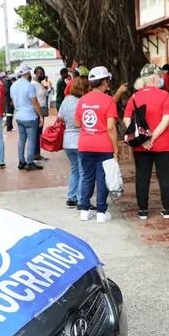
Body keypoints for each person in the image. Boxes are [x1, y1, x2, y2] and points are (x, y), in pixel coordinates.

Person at [124, 64, 169, 220]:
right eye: (159, 76)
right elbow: (167, 118)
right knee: (165, 177)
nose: (161, 78)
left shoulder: (134, 97)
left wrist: (142, 138)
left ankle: (143, 211)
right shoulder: (164, 95)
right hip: (163, 144)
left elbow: (126, 119)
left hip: (141, 146)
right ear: (155, 78)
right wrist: (152, 138)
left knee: (142, 176)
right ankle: (166, 209)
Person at [75, 66, 119, 223]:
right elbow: (111, 127)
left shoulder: (82, 100)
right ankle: (101, 212)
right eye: (108, 81)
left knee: (87, 177)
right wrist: (116, 149)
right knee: (102, 179)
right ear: (104, 82)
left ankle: (84, 211)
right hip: (103, 146)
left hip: (85, 145)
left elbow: (77, 123)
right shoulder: (109, 101)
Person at [58, 75, 89, 208]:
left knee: (74, 170)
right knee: (83, 171)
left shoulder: (66, 100)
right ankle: (82, 199)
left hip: (67, 141)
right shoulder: (83, 102)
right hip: (79, 140)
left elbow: (60, 118)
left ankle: (71, 197)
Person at [11, 64, 44, 171]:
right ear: (27, 73)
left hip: (19, 116)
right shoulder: (29, 86)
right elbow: (35, 103)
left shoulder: (13, 86)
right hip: (30, 116)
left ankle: (21, 161)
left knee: (21, 139)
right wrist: (40, 116)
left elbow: (13, 101)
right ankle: (30, 162)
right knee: (31, 140)